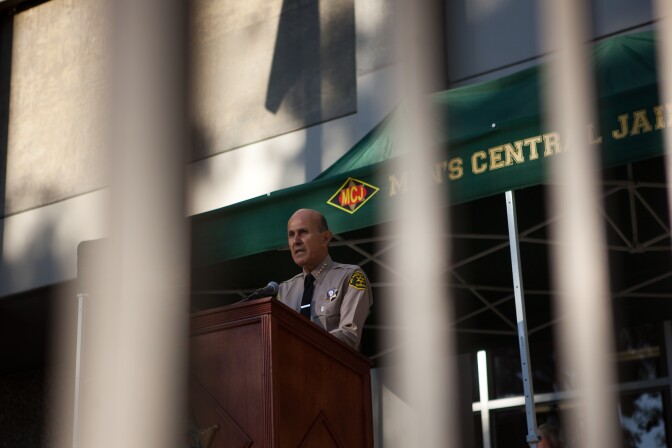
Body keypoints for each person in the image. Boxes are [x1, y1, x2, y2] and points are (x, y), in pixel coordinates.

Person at [278, 208, 373, 349]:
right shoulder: (284, 290)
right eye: (291, 235)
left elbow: (349, 336)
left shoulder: (350, 276)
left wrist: (302, 344)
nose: (296, 241)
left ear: (325, 238)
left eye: (303, 232)